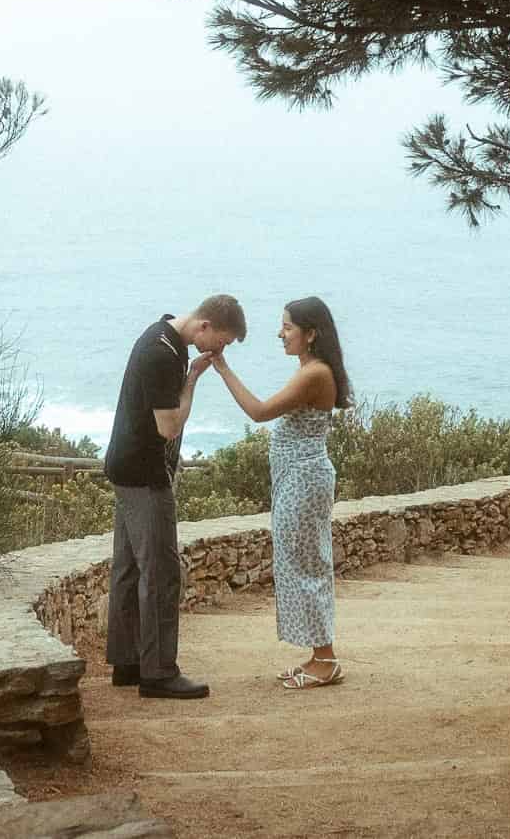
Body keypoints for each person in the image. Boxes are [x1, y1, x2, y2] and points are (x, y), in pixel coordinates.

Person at [102, 294, 246, 700]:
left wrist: (192, 372)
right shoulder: (163, 355)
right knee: (162, 574)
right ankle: (159, 671)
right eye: (220, 341)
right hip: (146, 476)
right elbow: (169, 426)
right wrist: (193, 381)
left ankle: (129, 662)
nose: (219, 350)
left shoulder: (163, 335)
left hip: (124, 467)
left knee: (129, 569)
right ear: (204, 326)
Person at [209, 295, 352, 690]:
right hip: (297, 479)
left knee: (306, 566)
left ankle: (325, 659)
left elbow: (258, 412)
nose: (280, 333)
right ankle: (317, 655)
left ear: (311, 334)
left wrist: (223, 369)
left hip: (303, 481)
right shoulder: (311, 369)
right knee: (300, 563)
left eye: (287, 327)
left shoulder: (314, 374)